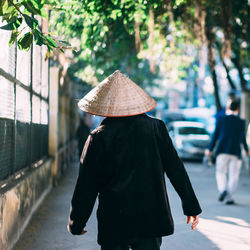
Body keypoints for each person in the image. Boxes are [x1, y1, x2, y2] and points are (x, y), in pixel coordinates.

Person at [68, 70, 202, 250]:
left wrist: (77, 221)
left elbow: (86, 184)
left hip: (114, 220)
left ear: (107, 105)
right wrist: (191, 206)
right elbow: (175, 169)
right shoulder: (157, 128)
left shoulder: (98, 136)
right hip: (151, 217)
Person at [205, 99, 249, 205]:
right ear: (238, 108)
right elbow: (242, 138)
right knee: (234, 175)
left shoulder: (221, 119)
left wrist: (210, 149)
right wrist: (247, 150)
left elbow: (215, 135)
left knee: (220, 172)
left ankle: (223, 190)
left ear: (228, 108)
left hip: (222, 151)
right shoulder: (241, 122)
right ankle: (229, 198)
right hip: (236, 152)